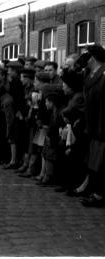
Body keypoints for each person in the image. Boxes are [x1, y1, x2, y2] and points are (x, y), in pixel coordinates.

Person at [80, 45, 105, 207]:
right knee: (95, 160)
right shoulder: (92, 75)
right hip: (94, 124)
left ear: (93, 58)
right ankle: (96, 192)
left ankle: (99, 194)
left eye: (87, 58)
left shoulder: (103, 75)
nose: (85, 61)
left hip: (102, 124)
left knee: (101, 161)